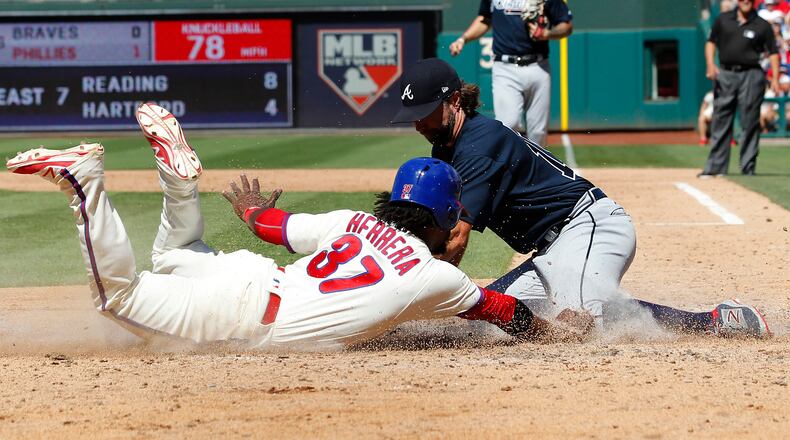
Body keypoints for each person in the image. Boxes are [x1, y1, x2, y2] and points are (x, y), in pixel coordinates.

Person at [5, 103, 593, 351]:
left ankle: (181, 184)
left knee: (178, 253)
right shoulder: (435, 276)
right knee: (118, 295)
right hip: (242, 316)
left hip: (246, 273)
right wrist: (554, 331)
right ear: (446, 219)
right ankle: (85, 179)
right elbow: (501, 310)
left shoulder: (356, 222)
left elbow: (275, 227)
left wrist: (255, 213)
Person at [391, 57, 771, 338]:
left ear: (455, 100)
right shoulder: (447, 147)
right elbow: (434, 231)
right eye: (413, 115)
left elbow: (455, 238)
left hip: (589, 225)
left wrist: (414, 295)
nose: (418, 123)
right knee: (488, 322)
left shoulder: (477, 146)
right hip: (553, 253)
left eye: (425, 113)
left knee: (580, 325)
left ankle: (715, 321)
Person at [448, 0, 573, 146]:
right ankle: (510, 166)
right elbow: (485, 19)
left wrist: (547, 33)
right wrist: (464, 39)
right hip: (505, 67)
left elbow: (566, 26)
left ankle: (534, 167)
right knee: (508, 123)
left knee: (538, 132)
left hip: (538, 66)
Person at [701, 0, 780, 177]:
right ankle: (715, 167)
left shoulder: (762, 25)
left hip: (752, 74)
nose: (746, 1)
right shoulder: (723, 19)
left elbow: (773, 52)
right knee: (721, 119)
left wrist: (774, 78)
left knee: (750, 121)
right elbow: (711, 42)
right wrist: (710, 64)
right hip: (727, 73)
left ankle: (747, 168)